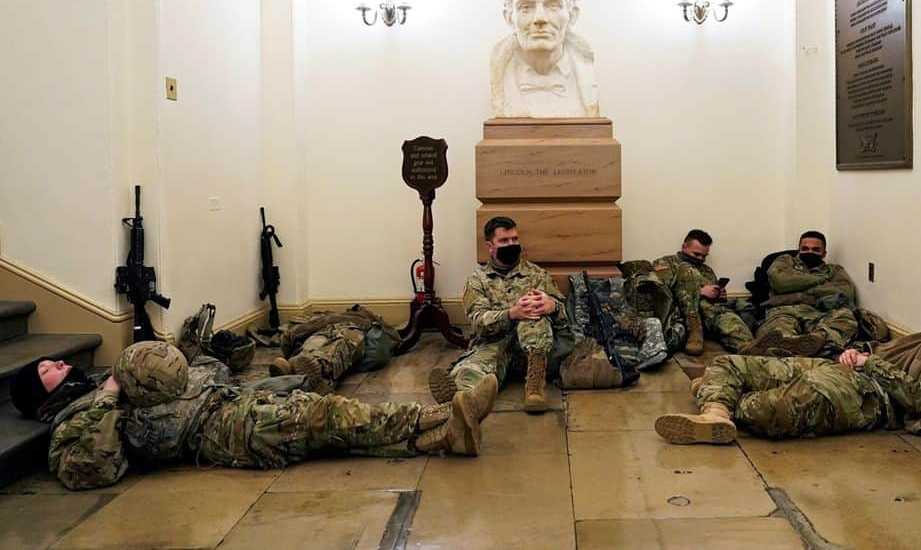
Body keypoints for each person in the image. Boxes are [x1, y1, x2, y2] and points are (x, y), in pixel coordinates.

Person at [9, 342, 498, 491]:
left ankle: (440, 432)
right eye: (46, 369)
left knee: (329, 421)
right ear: (41, 395)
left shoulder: (98, 384)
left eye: (53, 360)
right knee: (324, 417)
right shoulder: (74, 417)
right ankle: (433, 419)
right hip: (222, 431)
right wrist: (108, 397)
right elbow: (90, 469)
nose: (57, 362)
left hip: (227, 402)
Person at [654, 348, 921, 444]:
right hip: (828, 367)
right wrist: (857, 355)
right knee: (727, 363)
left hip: (857, 393)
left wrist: (870, 363)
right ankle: (715, 412)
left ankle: (718, 397)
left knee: (769, 412)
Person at [428, 216, 574, 413]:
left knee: (533, 313)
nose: (511, 244)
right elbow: (478, 322)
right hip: (494, 345)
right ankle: (461, 400)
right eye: (504, 241)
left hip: (535, 352)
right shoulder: (477, 281)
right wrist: (511, 313)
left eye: (514, 239)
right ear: (490, 246)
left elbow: (564, 315)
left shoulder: (537, 275)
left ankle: (535, 388)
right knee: (470, 371)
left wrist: (552, 306)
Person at [490, 0, 599, 118]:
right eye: (526, 7)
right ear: (508, 18)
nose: (540, 18)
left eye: (553, 6)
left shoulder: (584, 75)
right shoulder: (502, 72)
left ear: (572, 16)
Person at [750, 230, 858, 356]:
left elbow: (846, 291)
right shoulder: (785, 261)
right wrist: (821, 281)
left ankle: (816, 343)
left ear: (824, 253)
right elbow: (781, 282)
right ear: (799, 250)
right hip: (784, 310)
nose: (810, 252)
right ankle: (816, 349)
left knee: (846, 318)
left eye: (815, 249)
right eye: (805, 248)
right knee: (777, 333)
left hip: (819, 313)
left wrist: (801, 291)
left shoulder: (834, 270)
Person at [652, 230, 753, 356]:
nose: (700, 259)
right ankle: (694, 331)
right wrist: (699, 292)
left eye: (704, 256)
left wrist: (719, 295)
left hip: (707, 315)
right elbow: (661, 294)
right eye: (696, 254)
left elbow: (714, 303)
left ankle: (748, 345)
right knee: (687, 272)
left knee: (724, 314)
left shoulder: (707, 271)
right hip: (679, 314)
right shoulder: (665, 264)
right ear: (684, 247)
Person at [268, 304, 401, 395]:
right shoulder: (332, 316)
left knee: (337, 344)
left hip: (345, 331)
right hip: (331, 330)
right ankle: (310, 371)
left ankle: (307, 370)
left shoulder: (366, 323)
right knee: (325, 343)